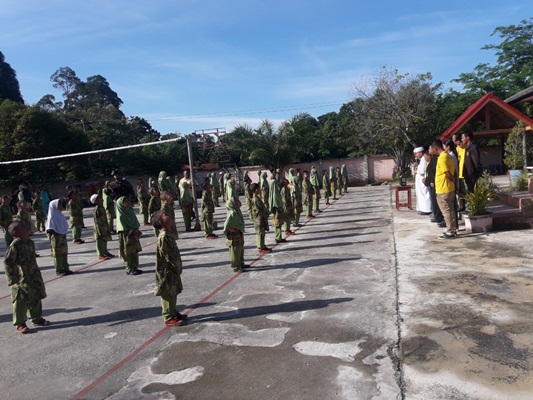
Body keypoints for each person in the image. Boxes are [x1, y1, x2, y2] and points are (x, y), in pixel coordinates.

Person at [4, 220, 50, 334]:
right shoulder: (15, 245)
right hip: (21, 277)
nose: (26, 227)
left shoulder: (30, 242)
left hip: (33, 274)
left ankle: (36, 318)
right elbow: (8, 262)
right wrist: (12, 278)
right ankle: (20, 323)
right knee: (20, 300)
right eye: (23, 226)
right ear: (16, 233)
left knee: (36, 296)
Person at [151, 210, 188, 327]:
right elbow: (169, 255)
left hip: (172, 269)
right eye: (165, 215)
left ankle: (173, 312)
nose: (169, 215)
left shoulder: (168, 233)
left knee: (173, 291)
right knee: (167, 293)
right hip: (166, 270)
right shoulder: (164, 236)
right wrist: (177, 266)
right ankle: (168, 316)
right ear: (161, 222)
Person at [433, 140, 457, 239]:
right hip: (449, 187)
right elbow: (454, 171)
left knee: (446, 211)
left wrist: (452, 180)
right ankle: (453, 229)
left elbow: (446, 172)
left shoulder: (442, 158)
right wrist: (454, 182)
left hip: (443, 188)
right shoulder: (449, 156)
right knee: (450, 210)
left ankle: (450, 230)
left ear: (436, 149)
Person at [116, 196, 143, 275]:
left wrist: (136, 230)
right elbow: (123, 226)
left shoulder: (130, 211)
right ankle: (129, 268)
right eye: (125, 201)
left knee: (135, 251)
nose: (128, 202)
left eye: (128, 201)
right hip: (126, 235)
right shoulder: (121, 214)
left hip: (134, 234)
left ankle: (135, 267)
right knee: (127, 252)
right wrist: (132, 231)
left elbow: (135, 222)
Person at [46, 199, 73, 276]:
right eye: (59, 205)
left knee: (64, 252)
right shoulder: (52, 217)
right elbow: (49, 229)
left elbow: (64, 226)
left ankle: (65, 268)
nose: (61, 206)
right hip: (56, 238)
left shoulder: (60, 215)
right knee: (58, 253)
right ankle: (59, 269)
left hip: (62, 236)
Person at [224, 197, 247, 272]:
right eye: (236, 201)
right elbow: (226, 225)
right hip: (234, 235)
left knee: (240, 249)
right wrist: (229, 229)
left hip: (238, 232)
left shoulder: (237, 211)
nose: (238, 202)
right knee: (235, 250)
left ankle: (240, 263)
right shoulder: (232, 213)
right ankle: (236, 266)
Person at [425, 145, 445, 227]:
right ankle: (437, 216)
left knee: (436, 201)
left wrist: (432, 181)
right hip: (431, 182)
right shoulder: (434, 158)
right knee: (433, 201)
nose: (429, 150)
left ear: (434, 149)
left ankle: (439, 218)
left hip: (435, 183)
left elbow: (436, 171)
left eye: (430, 148)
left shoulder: (438, 158)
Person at [90, 194, 114, 261]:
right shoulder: (97, 209)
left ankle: (105, 252)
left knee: (104, 240)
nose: (102, 200)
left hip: (104, 226)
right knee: (100, 241)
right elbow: (97, 221)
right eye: (99, 199)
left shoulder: (102, 207)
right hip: (100, 228)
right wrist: (100, 229)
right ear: (96, 201)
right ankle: (100, 254)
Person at [250, 183, 270, 252]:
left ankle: (262, 245)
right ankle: (260, 246)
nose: (260, 190)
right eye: (259, 188)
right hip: (259, 218)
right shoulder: (256, 199)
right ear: (256, 190)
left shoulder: (256, 198)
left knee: (262, 232)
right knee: (260, 232)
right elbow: (260, 209)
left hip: (259, 218)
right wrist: (266, 213)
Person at [413, 146, 432, 215]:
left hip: (422, 179)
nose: (416, 155)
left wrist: (416, 172)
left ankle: (426, 209)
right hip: (419, 181)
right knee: (420, 194)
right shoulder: (421, 159)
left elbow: (422, 171)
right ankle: (421, 208)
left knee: (424, 194)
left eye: (416, 153)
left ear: (420, 153)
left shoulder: (424, 159)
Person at [268, 171, 285, 243]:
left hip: (275, 208)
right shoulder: (275, 194)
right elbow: (278, 202)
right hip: (277, 208)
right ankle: (278, 237)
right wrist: (281, 208)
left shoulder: (271, 193)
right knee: (278, 223)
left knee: (277, 222)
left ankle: (279, 236)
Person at [452, 133, 467, 211]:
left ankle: (466, 205)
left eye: (454, 139)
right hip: (459, 173)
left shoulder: (465, 148)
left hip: (464, 173)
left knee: (465, 190)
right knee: (460, 191)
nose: (453, 141)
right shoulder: (457, 149)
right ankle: (462, 205)